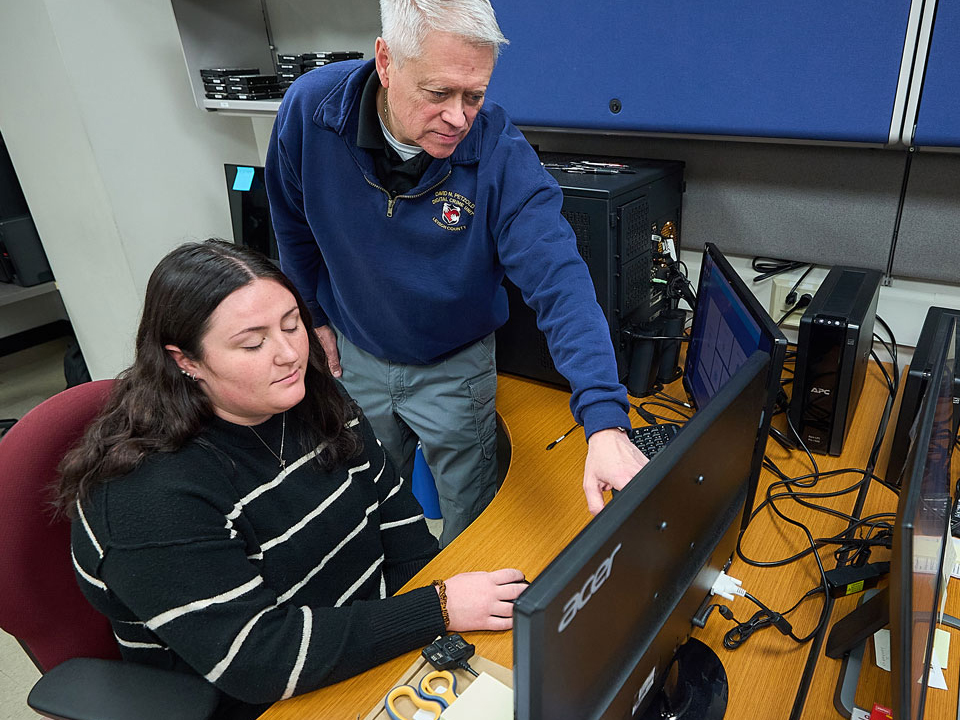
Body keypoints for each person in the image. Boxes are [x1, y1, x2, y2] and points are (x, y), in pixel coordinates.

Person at [57, 240, 527, 720]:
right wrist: (437, 608)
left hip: (354, 659)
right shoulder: (145, 495)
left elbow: (400, 526)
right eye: (253, 342)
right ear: (186, 361)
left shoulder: (317, 403)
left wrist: (440, 645)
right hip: (258, 701)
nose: (289, 354)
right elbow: (260, 660)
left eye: (292, 324)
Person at [265, 0, 647, 546]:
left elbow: (560, 280)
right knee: (371, 498)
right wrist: (314, 315)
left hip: (454, 362)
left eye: (475, 95)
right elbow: (291, 221)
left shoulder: (498, 154)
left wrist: (605, 419)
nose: (458, 118)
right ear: (386, 62)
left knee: (472, 520)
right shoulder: (310, 110)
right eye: (438, 93)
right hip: (354, 349)